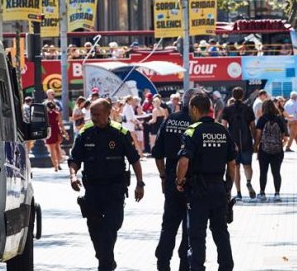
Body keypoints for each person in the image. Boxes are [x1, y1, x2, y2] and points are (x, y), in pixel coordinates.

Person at [68, 99, 145, 271]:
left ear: (108, 113)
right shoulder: (85, 133)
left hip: (114, 190)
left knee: (111, 226)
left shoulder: (120, 133)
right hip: (93, 190)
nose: (93, 118)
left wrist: (140, 184)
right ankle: (105, 259)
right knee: (95, 230)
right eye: (92, 114)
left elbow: (135, 160)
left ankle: (105, 263)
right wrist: (73, 176)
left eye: (97, 114)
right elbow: (74, 160)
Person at [175, 93, 236, 271]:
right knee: (221, 232)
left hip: (198, 190)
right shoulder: (222, 131)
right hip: (218, 188)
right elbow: (232, 164)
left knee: (197, 235)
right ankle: (226, 267)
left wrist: (179, 181)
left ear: (194, 109)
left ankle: (197, 267)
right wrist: (228, 188)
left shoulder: (192, 131)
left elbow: (184, 161)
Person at [152, 88, 204, 271]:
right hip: (193, 181)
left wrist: (163, 176)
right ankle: (184, 264)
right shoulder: (198, 124)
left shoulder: (169, 120)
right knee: (190, 227)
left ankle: (163, 263)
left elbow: (157, 153)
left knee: (169, 225)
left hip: (172, 178)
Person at [222, 87, 257, 201]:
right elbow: (252, 126)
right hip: (246, 141)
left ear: (232, 95)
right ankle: (248, 182)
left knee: (235, 168)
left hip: (233, 142)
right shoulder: (248, 109)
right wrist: (255, 141)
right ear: (242, 96)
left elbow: (224, 126)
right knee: (247, 166)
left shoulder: (227, 109)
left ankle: (238, 192)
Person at [254, 100, 288, 202]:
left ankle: (262, 193)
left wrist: (256, 145)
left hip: (264, 150)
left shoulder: (262, 119)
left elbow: (258, 134)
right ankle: (277, 194)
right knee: (276, 172)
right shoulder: (279, 119)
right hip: (277, 150)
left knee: (263, 172)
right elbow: (284, 135)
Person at [46, 101, 66, 172]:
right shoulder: (57, 114)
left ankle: (55, 166)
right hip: (56, 131)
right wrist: (65, 133)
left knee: (52, 150)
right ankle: (58, 164)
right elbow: (61, 124)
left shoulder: (46, 115)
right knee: (57, 148)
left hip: (49, 132)